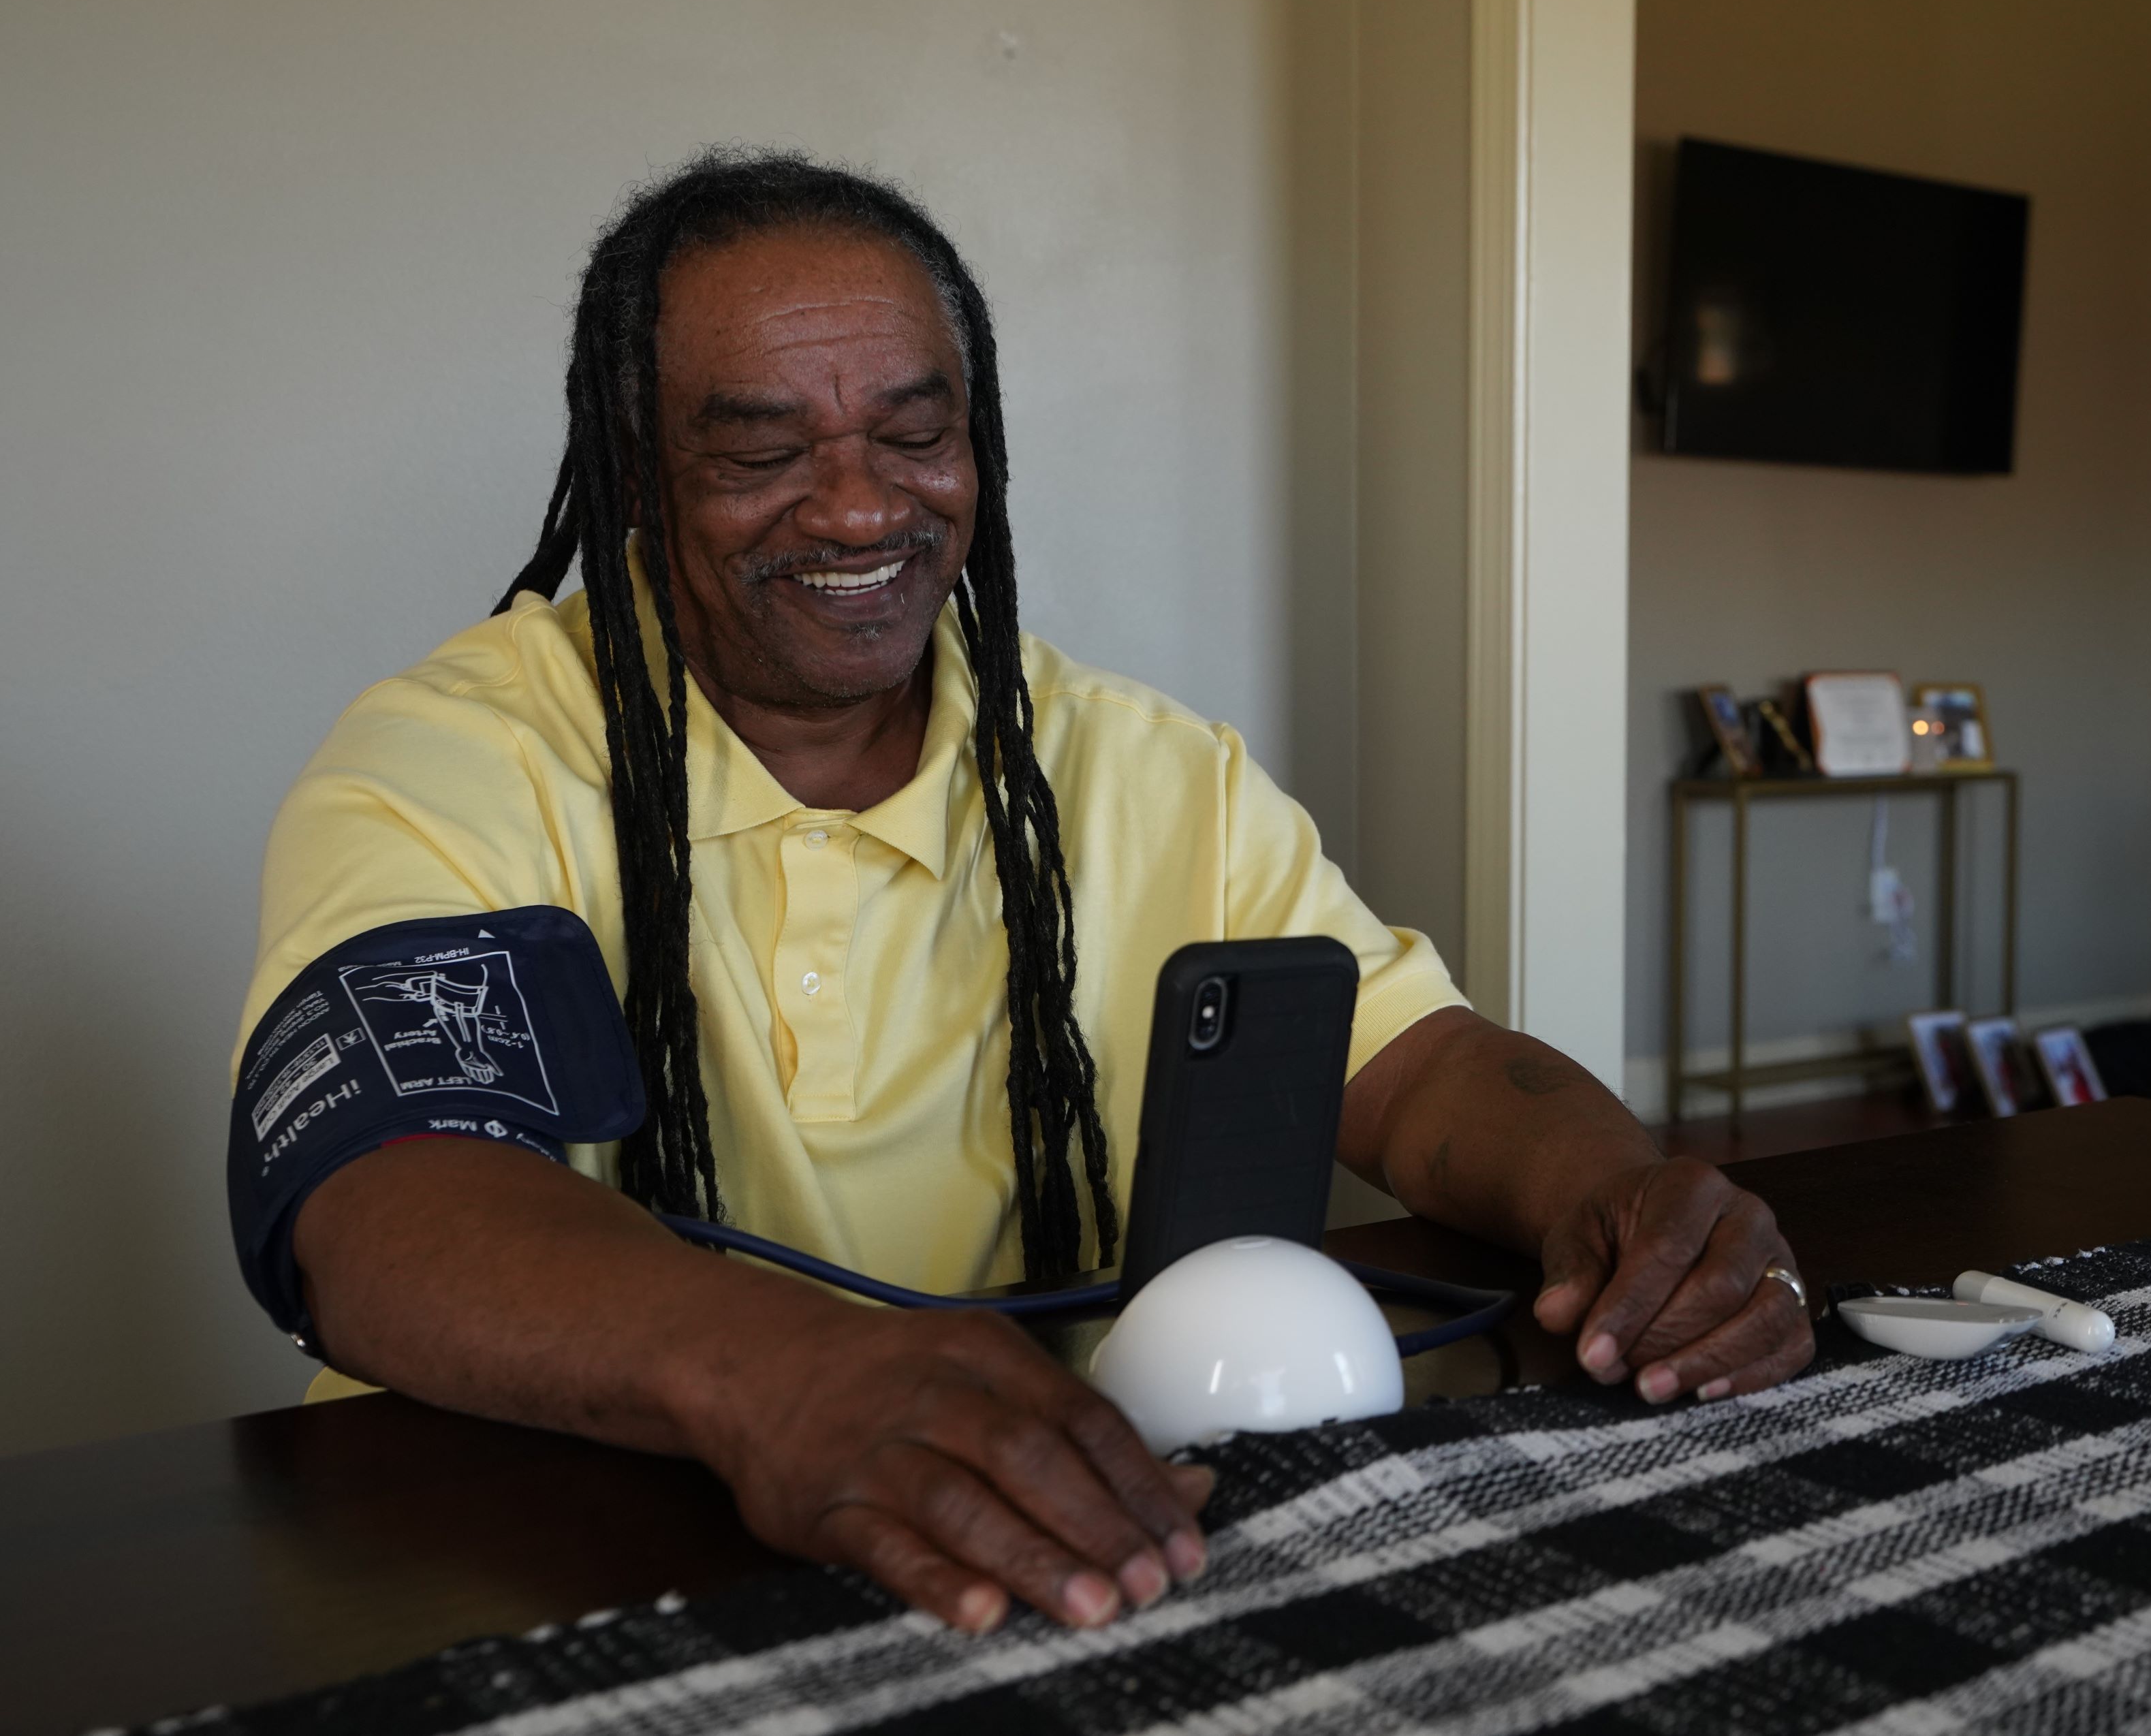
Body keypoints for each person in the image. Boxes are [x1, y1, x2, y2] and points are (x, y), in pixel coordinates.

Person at [229, 151, 1810, 1639]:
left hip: (1036, 1545)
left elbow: (1425, 1073)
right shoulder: (457, 759)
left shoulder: (1135, 769)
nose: (859, 509)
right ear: (638, 475)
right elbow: (382, 1206)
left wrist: (1622, 1195)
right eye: (763, 451)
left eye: (916, 438)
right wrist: (780, 1377)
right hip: (548, 1560)